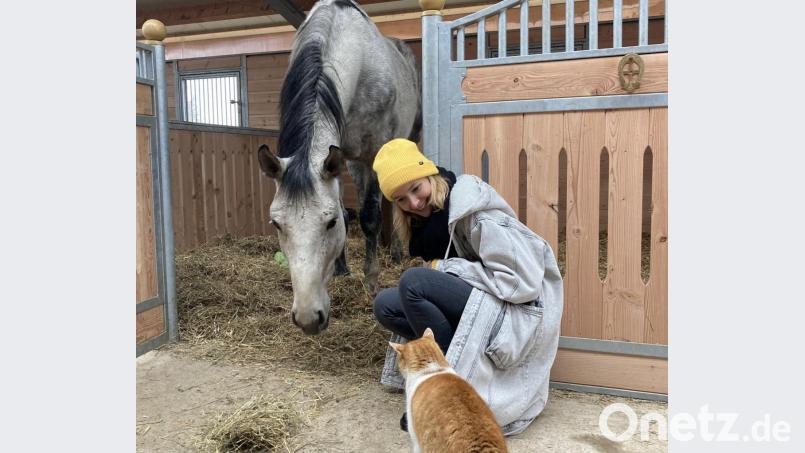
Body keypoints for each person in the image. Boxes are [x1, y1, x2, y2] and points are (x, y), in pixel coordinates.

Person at [371, 138, 564, 436]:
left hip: (518, 311)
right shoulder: (427, 225)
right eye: (400, 199)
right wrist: (444, 273)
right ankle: (446, 374)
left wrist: (447, 269)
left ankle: (445, 392)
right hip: (483, 302)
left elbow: (521, 283)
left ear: (430, 176)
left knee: (414, 282)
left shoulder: (474, 212)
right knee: (386, 304)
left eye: (415, 188)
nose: (413, 203)